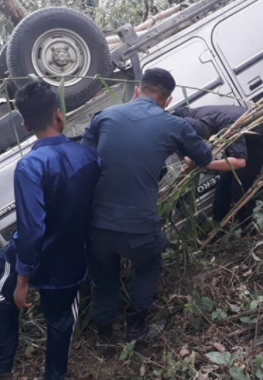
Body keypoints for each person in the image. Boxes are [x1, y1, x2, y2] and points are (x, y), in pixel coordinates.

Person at [81, 68, 212, 352]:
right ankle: (136, 329)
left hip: (98, 224)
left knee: (104, 276)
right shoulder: (173, 124)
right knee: (149, 265)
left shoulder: (104, 116)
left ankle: (104, 338)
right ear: (167, 99)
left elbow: (85, 160)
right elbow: (204, 157)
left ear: (137, 91)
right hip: (139, 227)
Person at [0, 81, 101, 380]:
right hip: (69, 260)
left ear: (26, 125)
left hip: (28, 258)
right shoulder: (91, 158)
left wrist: (23, 278)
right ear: (59, 115)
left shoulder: (30, 166)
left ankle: (2, 368)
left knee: (4, 300)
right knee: (61, 322)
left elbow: (32, 228)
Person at [175, 105, 263, 232]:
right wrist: (189, 159)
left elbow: (239, 163)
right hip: (241, 138)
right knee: (223, 184)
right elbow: (179, 110)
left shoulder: (229, 130)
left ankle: (248, 228)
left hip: (259, 142)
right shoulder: (193, 118)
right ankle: (218, 227)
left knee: (238, 186)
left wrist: (205, 163)